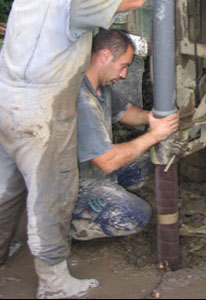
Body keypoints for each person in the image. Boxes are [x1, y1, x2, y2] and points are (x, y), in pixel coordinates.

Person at [0, 1, 147, 299]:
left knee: (7, 187)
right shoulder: (70, 3)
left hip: (8, 101)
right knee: (52, 195)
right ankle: (53, 284)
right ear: (106, 56)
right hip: (43, 110)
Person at [71, 29, 179, 241]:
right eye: (124, 66)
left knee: (147, 164)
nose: (124, 75)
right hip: (74, 184)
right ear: (105, 56)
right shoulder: (83, 100)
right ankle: (72, 225)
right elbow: (107, 161)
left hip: (95, 172)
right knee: (136, 214)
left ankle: (107, 193)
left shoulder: (100, 87)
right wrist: (154, 135)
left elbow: (129, 113)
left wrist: (154, 119)